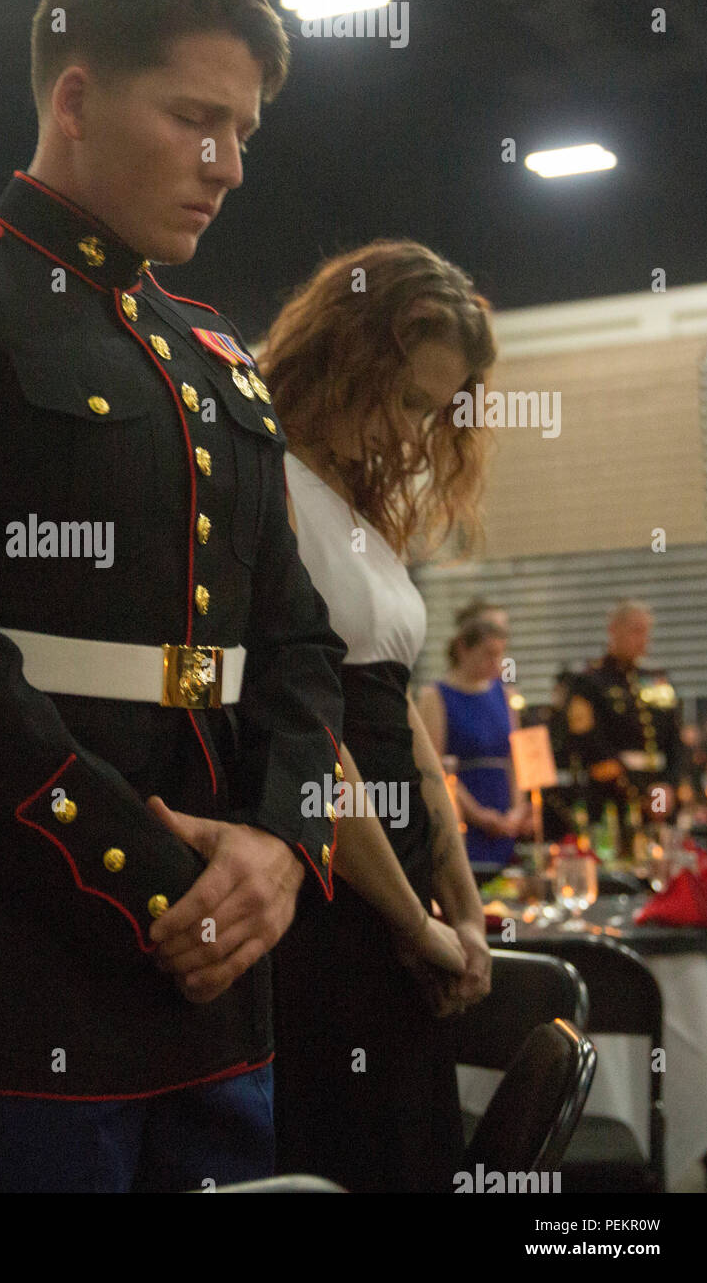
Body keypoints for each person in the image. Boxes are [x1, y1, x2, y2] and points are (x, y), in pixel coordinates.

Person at [0, 0, 360, 1194]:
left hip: (214, 987)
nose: (225, 166)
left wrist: (281, 845)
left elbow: (300, 649)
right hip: (11, 960)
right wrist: (167, 884)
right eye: (194, 118)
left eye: (244, 136)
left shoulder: (220, 355)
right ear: (75, 96)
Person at [256, 239, 496, 1192]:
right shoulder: (265, 483)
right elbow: (320, 742)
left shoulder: (358, 510)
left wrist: (464, 908)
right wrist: (413, 921)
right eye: (404, 401)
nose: (413, 435)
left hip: (401, 905)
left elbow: (404, 736)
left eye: (434, 413)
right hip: (328, 899)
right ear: (345, 356)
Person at [563, 600, 694, 825]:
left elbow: (675, 738)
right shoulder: (589, 682)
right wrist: (642, 792)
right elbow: (591, 744)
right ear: (613, 630)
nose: (643, 639)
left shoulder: (656, 680)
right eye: (636, 630)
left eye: (646, 632)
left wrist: (668, 787)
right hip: (614, 798)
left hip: (661, 795)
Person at [417, 617, 531, 867]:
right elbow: (435, 764)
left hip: (503, 808)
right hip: (464, 809)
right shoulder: (435, 696)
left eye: (500, 655)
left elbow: (516, 756)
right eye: (488, 654)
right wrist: (477, 814)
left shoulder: (505, 694)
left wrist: (517, 810)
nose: (496, 663)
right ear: (463, 650)